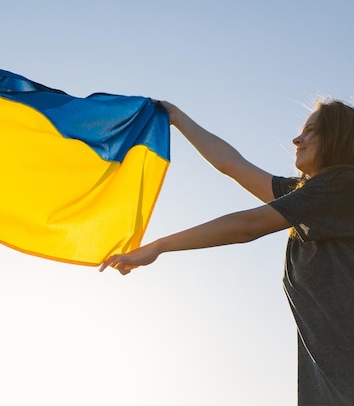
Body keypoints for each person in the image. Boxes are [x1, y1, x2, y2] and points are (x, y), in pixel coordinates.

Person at [99, 99, 354, 405]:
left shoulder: (341, 186)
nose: (297, 140)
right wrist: (178, 118)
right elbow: (231, 164)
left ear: (340, 137)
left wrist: (158, 247)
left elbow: (247, 226)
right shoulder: (308, 196)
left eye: (312, 131)